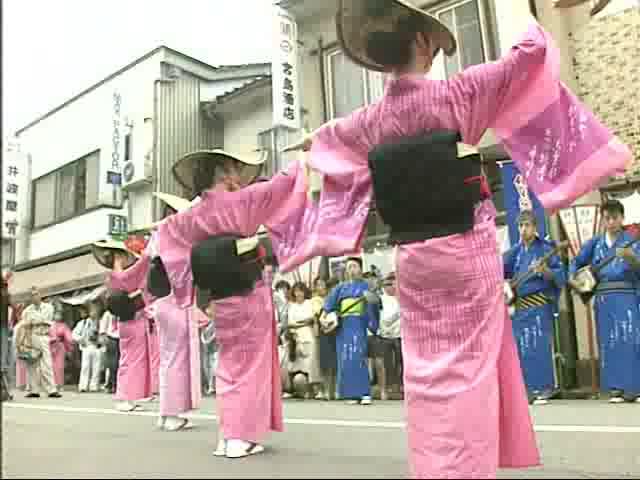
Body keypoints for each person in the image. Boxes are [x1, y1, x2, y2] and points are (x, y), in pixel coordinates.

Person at [276, 1, 632, 476]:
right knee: (470, 370)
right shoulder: (458, 94)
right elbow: (528, 55)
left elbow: (326, 141)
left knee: (426, 373)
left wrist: (309, 143)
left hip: (413, 258)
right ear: (422, 42)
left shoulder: (369, 121)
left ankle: (434, 468)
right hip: (466, 249)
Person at [155, 148, 304, 458]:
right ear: (224, 172)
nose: (239, 174)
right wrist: (307, 155)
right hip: (249, 291)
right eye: (234, 168)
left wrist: (186, 289)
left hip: (220, 298)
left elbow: (166, 235)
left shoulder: (191, 216)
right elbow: (285, 182)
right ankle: (240, 436)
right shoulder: (244, 200)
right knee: (251, 363)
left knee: (229, 363)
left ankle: (227, 434)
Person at [569, 200, 640, 404]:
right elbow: (576, 261)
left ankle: (634, 388)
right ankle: (616, 388)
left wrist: (632, 259)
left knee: (629, 339)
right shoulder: (595, 243)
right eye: (607, 218)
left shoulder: (632, 242)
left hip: (626, 296)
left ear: (622, 218)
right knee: (608, 342)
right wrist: (573, 278)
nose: (611, 222)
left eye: (615, 218)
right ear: (603, 220)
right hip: (603, 298)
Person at [504, 211, 567, 405]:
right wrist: (505, 285)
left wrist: (546, 271)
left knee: (539, 347)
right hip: (521, 308)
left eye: (528, 225)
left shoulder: (546, 249)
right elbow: (499, 272)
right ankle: (527, 389)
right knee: (523, 348)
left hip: (539, 305)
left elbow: (561, 277)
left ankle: (545, 388)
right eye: (521, 225)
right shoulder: (514, 252)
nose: (524, 229)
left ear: (535, 227)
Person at [94, 239, 153, 413]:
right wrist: (147, 255)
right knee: (131, 360)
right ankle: (124, 397)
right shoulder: (120, 276)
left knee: (131, 360)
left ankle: (130, 396)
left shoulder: (112, 278)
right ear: (118, 257)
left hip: (126, 321)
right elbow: (139, 269)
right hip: (132, 320)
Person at [14, 287, 61, 399]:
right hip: (31, 336)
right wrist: (34, 321)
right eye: (32, 295)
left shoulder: (48, 307)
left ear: (40, 295)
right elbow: (25, 323)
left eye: (36, 294)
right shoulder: (27, 310)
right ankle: (34, 390)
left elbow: (45, 319)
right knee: (31, 363)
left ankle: (51, 389)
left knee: (46, 363)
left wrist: (33, 320)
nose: (34, 297)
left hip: (43, 336)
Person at [286, 282, 322, 399]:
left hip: (309, 336)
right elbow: (291, 323)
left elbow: (312, 318)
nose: (298, 293)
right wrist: (301, 324)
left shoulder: (309, 303)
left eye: (300, 290)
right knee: (297, 365)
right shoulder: (292, 306)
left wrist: (302, 322)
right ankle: (300, 390)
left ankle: (315, 390)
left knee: (311, 365)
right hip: (297, 338)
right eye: (296, 291)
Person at [377, 272, 403, 400]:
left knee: (400, 362)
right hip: (385, 335)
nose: (389, 287)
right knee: (387, 363)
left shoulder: (401, 297)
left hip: (400, 335)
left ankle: (400, 387)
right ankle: (389, 388)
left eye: (392, 284)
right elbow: (380, 317)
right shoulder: (380, 298)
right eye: (386, 284)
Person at [72, 303, 103, 393]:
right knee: (85, 367)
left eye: (96, 311)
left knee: (97, 367)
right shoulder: (83, 323)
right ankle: (83, 386)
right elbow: (74, 334)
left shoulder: (100, 322)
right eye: (92, 311)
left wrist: (100, 341)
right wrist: (81, 340)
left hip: (97, 347)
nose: (94, 313)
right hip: (87, 346)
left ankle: (94, 386)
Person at [49, 308, 74, 390]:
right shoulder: (49, 325)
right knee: (50, 366)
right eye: (56, 314)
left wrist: (69, 348)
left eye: (59, 314)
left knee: (59, 367)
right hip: (50, 347)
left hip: (60, 347)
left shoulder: (64, 326)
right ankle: (50, 384)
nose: (58, 316)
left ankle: (59, 384)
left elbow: (69, 338)